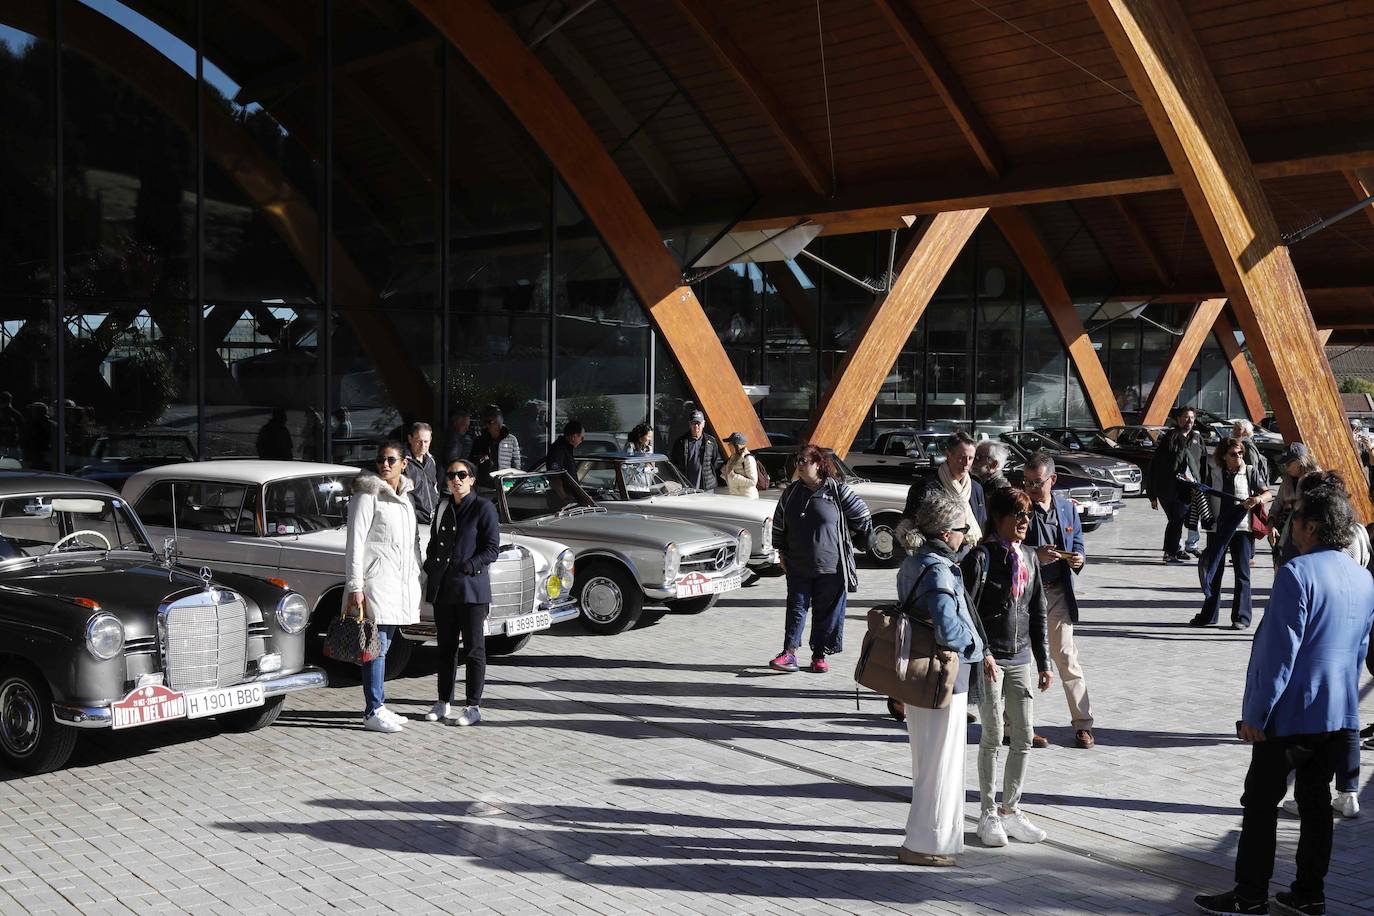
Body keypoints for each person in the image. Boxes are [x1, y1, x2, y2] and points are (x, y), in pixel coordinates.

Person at [1193, 486, 1374, 916]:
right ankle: (1309, 893)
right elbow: (1361, 648)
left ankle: (1250, 893)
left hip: (1291, 713)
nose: (1289, 527)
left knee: (1260, 803)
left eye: (1294, 520)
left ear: (1310, 527)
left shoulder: (1297, 573)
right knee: (1315, 806)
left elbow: (1279, 654)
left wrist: (1255, 714)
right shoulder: (1362, 576)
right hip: (1339, 711)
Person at [894, 489, 986, 868]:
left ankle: (931, 840)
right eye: (963, 528)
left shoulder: (914, 561)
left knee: (928, 762)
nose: (966, 534)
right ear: (946, 532)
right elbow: (950, 629)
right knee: (941, 766)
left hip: (919, 677)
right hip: (944, 677)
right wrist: (978, 648)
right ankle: (924, 844)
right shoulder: (938, 568)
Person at [962, 486, 1053, 849]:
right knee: (993, 733)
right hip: (991, 658)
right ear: (998, 518)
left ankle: (1010, 810)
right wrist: (981, 652)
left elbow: (1038, 610)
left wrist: (1044, 662)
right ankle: (987, 812)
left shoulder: (1029, 558)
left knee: (1024, 735)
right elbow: (966, 611)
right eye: (1017, 515)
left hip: (1020, 660)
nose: (1024, 522)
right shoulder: (980, 558)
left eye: (1028, 516)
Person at [767, 444, 872, 674]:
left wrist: (854, 541)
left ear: (818, 464)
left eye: (804, 460)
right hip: (798, 565)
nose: (800, 465)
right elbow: (778, 524)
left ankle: (819, 656)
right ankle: (789, 653)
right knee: (796, 609)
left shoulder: (837, 491)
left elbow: (863, 516)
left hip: (832, 568)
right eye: (798, 461)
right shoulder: (791, 492)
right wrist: (781, 552)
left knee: (826, 613)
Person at [344, 441, 422, 734]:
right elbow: (355, 543)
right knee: (376, 648)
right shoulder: (367, 495)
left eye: (391, 459)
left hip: (398, 583)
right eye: (380, 459)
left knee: (385, 646)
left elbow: (412, 542)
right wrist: (355, 586)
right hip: (375, 583)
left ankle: (379, 704)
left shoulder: (405, 497)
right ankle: (372, 710)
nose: (385, 464)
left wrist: (418, 574)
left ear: (404, 463)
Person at [1020, 452, 1095, 750]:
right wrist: (1035, 555)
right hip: (1026, 595)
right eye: (1026, 482)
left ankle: (1083, 724)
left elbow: (1078, 543)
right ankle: (1015, 724)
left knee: (1066, 657)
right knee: (1021, 661)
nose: (1030, 488)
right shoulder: (1020, 508)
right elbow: (1008, 547)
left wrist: (1078, 559)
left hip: (1058, 593)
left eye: (1036, 482)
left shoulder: (1067, 508)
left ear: (1052, 480)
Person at [423, 458, 501, 727]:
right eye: (451, 475)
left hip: (471, 590)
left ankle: (473, 706)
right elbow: (434, 542)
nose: (456, 479)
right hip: (444, 588)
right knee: (445, 648)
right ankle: (443, 701)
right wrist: (430, 564)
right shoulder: (443, 505)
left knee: (474, 650)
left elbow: (492, 548)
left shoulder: (484, 507)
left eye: (462, 475)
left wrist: (469, 566)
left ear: (472, 479)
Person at [1188, 437, 1271, 630]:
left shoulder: (1250, 471)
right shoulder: (1213, 472)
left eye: (1241, 453)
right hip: (1217, 528)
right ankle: (1209, 615)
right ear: (1224, 456)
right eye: (1234, 454)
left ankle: (1241, 617)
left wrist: (1258, 499)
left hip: (1242, 529)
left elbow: (1267, 493)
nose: (1239, 457)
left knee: (1242, 573)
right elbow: (1205, 494)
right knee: (1214, 571)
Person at [898, 431, 986, 559]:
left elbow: (982, 524)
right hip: (936, 558)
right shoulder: (925, 488)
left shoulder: (976, 489)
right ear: (948, 455)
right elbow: (911, 528)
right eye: (962, 457)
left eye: (971, 458)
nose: (966, 463)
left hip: (970, 559)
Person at [1148, 405, 1204, 563]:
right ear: (1178, 419)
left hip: (1191, 489)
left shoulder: (1196, 438)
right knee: (1176, 520)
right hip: (1171, 490)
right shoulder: (1170, 438)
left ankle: (1176, 550)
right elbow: (1155, 467)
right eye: (1186, 417)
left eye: (1192, 418)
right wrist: (1152, 495)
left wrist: (1201, 484)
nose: (1190, 421)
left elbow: (1202, 462)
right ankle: (1170, 553)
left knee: (1181, 520)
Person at [1268, 443, 1319, 566]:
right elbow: (1276, 505)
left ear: (1300, 460)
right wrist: (1271, 525)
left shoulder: (1317, 478)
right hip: (1286, 536)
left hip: (1309, 537)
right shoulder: (1287, 480)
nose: (1286, 467)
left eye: (1288, 463)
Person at [402, 422, 440, 535]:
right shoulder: (402, 463)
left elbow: (435, 488)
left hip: (432, 521)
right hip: (413, 523)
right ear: (410, 439)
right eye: (419, 441)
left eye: (426, 441)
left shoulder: (431, 460)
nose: (423, 445)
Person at [470, 407, 523, 487]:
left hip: (505, 484)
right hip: (484, 485)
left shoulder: (511, 440)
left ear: (499, 423)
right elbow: (472, 461)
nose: (486, 425)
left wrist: (515, 483)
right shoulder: (480, 440)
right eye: (485, 422)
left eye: (490, 422)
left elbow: (516, 463)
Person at [670, 410, 721, 490]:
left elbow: (714, 462)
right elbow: (674, 463)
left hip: (707, 486)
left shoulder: (711, 441)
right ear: (690, 424)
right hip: (686, 487)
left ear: (703, 424)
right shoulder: (680, 442)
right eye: (693, 423)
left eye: (698, 423)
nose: (696, 426)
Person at [721, 432, 759, 498]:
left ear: (737, 446)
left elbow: (753, 482)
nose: (728, 446)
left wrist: (734, 476)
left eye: (730, 444)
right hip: (735, 496)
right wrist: (726, 474)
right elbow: (731, 479)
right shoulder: (731, 458)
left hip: (747, 497)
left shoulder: (748, 458)